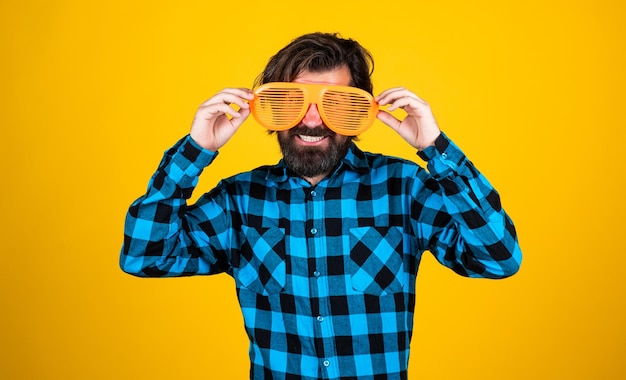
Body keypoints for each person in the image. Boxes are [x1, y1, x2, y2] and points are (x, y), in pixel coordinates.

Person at [120, 32, 522, 380]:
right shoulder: (240, 201)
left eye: (337, 104)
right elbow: (143, 255)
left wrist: (437, 150)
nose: (312, 119)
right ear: (268, 110)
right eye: (290, 101)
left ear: (361, 111)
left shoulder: (403, 188)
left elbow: (498, 258)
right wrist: (195, 152)